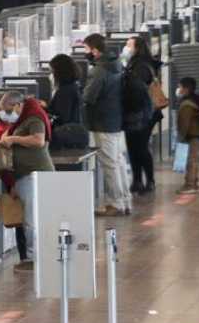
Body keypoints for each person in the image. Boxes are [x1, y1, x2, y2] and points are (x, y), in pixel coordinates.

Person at [0, 91, 54, 272]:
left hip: (33, 174)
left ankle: (33, 259)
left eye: (7, 110)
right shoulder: (21, 119)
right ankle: (35, 256)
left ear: (18, 106)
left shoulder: (34, 117)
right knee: (30, 218)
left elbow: (38, 140)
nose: (5, 114)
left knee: (31, 219)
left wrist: (13, 139)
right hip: (24, 175)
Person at [82, 33, 133, 216]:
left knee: (110, 164)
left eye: (86, 49)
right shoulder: (116, 64)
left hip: (102, 121)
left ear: (95, 50)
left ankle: (115, 203)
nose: (85, 52)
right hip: (115, 120)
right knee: (118, 161)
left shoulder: (99, 70)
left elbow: (89, 97)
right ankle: (125, 200)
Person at [121, 36, 158, 194]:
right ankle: (137, 180)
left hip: (142, 114)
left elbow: (136, 91)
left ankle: (149, 180)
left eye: (129, 45)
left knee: (141, 147)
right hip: (136, 113)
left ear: (137, 48)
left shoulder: (141, 66)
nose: (126, 48)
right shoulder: (133, 63)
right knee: (133, 147)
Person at [176, 77, 199, 194]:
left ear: (186, 89)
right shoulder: (196, 100)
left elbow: (184, 123)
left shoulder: (187, 104)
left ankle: (189, 185)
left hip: (193, 135)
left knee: (191, 161)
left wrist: (181, 137)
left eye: (180, 87)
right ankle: (194, 183)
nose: (178, 89)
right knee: (194, 160)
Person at [47, 53, 83, 127]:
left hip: (66, 131)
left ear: (60, 72)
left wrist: (45, 112)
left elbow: (62, 118)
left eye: (52, 72)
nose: (50, 75)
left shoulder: (65, 91)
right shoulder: (72, 86)